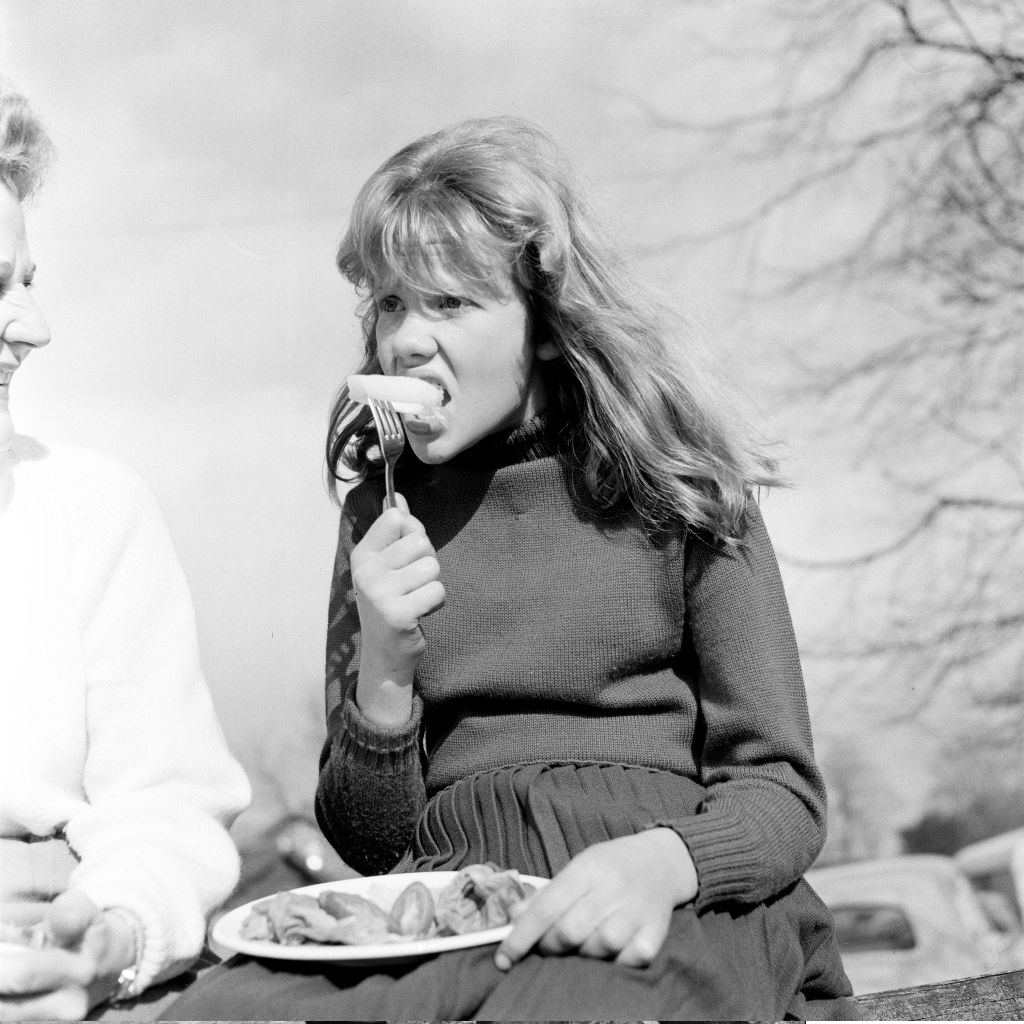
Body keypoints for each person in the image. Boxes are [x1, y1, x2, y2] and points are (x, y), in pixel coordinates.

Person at [164, 115, 856, 1020]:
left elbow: (782, 791)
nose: (407, 340)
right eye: (389, 304)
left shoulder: (681, 485)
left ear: (546, 323)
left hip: (668, 892)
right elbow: (371, 843)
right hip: (453, 899)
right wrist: (384, 669)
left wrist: (663, 863)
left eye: (450, 303)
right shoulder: (381, 513)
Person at [0, 82, 251, 1021]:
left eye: (27, 279)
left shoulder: (92, 511)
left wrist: (109, 936)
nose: (35, 325)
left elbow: (165, 806)